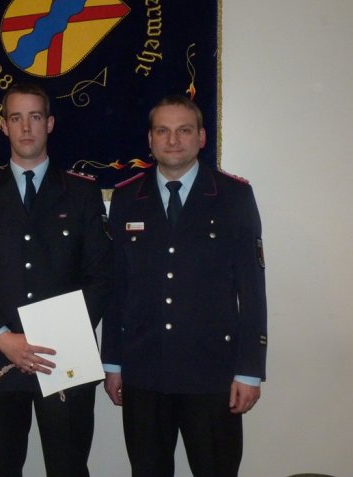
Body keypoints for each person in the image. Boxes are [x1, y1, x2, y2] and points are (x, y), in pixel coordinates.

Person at [0, 82, 113, 477]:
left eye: (35, 117)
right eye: (16, 118)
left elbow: (101, 275)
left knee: (69, 469)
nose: (26, 128)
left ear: (50, 123)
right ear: (4, 126)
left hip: (64, 359)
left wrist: (55, 338)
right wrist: (3, 338)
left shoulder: (82, 193)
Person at [101, 94, 268, 477]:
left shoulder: (233, 196)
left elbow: (252, 289)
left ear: (202, 137)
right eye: (163, 131)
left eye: (184, 130)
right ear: (150, 139)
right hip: (144, 371)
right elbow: (117, 287)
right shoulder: (127, 197)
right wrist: (112, 362)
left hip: (211, 373)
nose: (173, 140)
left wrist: (249, 370)